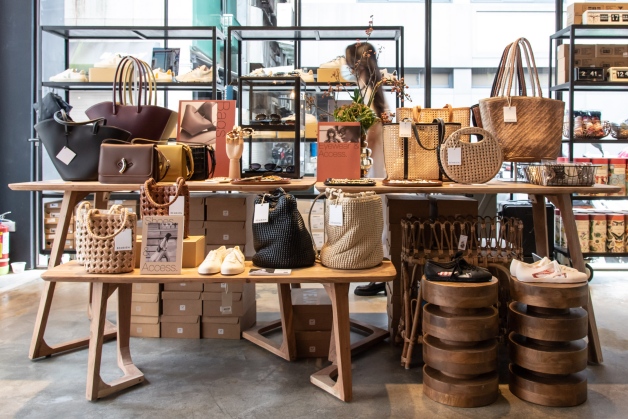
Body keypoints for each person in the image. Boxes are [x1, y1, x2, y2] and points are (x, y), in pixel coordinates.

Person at [346, 42, 389, 297]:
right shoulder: (375, 86)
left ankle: (379, 275)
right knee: (379, 216)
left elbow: (371, 130)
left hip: (374, 162)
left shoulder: (367, 88)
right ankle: (379, 274)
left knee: (375, 218)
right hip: (380, 160)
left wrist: (360, 163)